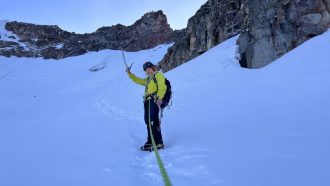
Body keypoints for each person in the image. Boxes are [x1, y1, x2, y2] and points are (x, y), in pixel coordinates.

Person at [126, 61, 167, 151]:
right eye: (146, 70)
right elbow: (139, 80)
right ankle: (150, 141)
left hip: (154, 99)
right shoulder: (148, 79)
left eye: (148, 68)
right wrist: (130, 74)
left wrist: (159, 97)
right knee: (148, 121)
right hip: (147, 101)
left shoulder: (158, 75)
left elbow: (162, 86)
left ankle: (159, 142)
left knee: (153, 120)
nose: (147, 71)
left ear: (152, 68)